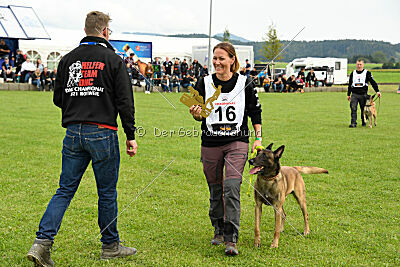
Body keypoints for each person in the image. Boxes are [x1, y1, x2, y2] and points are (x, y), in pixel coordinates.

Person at [27, 11, 138, 266]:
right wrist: (130, 135)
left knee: (64, 190)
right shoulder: (113, 59)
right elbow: (125, 101)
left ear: (86, 29)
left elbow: (57, 98)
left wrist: (78, 104)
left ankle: (41, 243)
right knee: (106, 192)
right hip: (102, 131)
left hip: (73, 132)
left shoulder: (67, 59)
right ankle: (110, 245)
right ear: (105, 32)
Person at [189, 42, 262, 256]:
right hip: (210, 143)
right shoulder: (202, 83)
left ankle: (231, 238)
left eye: (222, 58)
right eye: (215, 58)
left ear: (232, 60)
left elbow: (255, 112)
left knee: (231, 187)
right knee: (215, 190)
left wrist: (258, 138)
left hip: (237, 142)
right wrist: (196, 114)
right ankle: (218, 229)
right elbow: (198, 113)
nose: (217, 62)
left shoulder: (244, 82)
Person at [347, 59, 381, 128]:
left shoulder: (367, 73)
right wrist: (348, 94)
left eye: (360, 64)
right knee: (353, 108)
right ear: (356, 65)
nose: (359, 66)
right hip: (354, 94)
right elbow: (350, 84)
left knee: (364, 109)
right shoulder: (353, 73)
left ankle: (364, 122)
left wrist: (377, 91)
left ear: (363, 65)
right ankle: (353, 123)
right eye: (358, 64)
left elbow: (372, 82)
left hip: (363, 94)